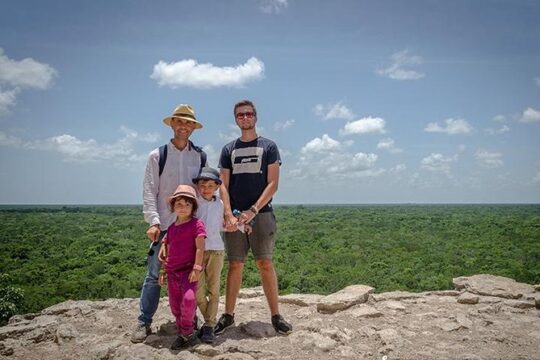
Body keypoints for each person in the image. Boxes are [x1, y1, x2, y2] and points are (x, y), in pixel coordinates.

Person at [215, 100, 292, 336]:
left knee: (265, 263)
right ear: (236, 119)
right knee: (235, 264)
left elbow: (273, 184)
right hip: (235, 216)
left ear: (255, 117)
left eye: (248, 114)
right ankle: (228, 315)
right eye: (240, 115)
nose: (245, 117)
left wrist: (253, 211)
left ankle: (276, 315)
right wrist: (228, 212)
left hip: (262, 214)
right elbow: (223, 185)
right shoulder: (229, 150)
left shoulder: (269, 146)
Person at [131, 104, 207, 343]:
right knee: (154, 275)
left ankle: (189, 320)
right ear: (172, 124)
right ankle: (144, 322)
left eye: (188, 123)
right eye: (180, 122)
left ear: (193, 128)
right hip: (165, 224)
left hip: (191, 226)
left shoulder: (200, 156)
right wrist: (153, 221)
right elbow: (149, 190)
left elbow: (204, 191)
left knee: (190, 275)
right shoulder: (158, 155)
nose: (184, 126)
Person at [158, 184, 206, 350]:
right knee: (175, 305)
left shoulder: (197, 225)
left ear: (193, 206)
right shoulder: (171, 229)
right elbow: (168, 252)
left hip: (188, 271)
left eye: (187, 204)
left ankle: (188, 331)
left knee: (189, 300)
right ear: (173, 207)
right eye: (179, 204)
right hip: (172, 273)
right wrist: (163, 270)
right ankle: (183, 334)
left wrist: (197, 268)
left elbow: (200, 247)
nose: (183, 207)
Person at [192, 167, 225, 344]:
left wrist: (243, 226)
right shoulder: (194, 204)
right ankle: (209, 321)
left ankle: (209, 326)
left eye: (210, 185)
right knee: (198, 292)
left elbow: (224, 225)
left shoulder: (220, 204)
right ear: (197, 186)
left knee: (214, 290)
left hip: (216, 250)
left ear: (217, 187)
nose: (206, 188)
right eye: (202, 185)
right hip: (197, 252)